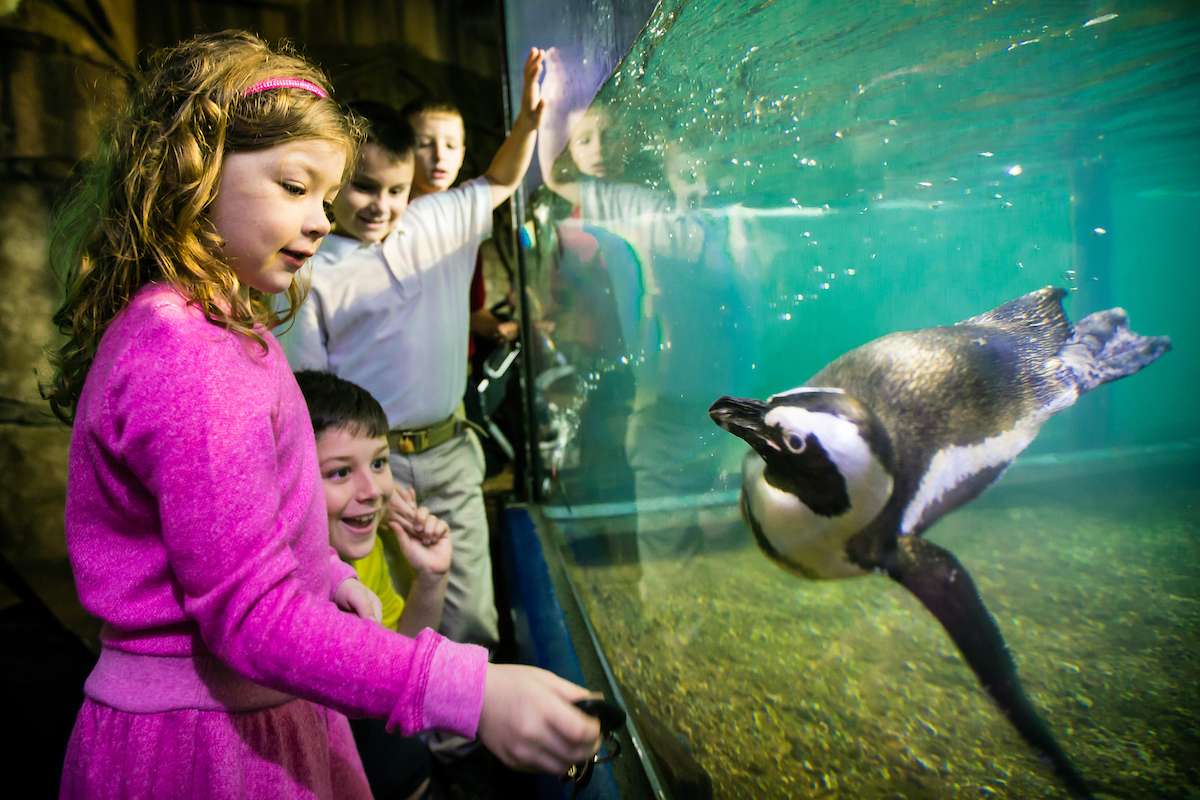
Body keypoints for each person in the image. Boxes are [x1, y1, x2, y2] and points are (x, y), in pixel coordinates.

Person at [46, 31, 599, 799]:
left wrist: (321, 575)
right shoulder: (187, 351)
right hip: (205, 745)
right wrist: (469, 690)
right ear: (195, 170)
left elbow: (240, 531)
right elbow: (249, 616)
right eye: (293, 186)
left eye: (324, 198)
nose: (317, 219)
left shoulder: (221, 328)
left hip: (253, 709)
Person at [283, 48, 547, 653]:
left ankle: (471, 715)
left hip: (450, 454)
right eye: (364, 188)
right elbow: (311, 396)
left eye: (397, 189)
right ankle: (407, 716)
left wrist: (529, 123)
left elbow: (500, 180)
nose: (382, 205)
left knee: (472, 617)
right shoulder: (308, 270)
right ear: (335, 181)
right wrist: (363, 475)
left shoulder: (437, 222)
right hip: (372, 471)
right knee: (388, 623)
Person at [296, 369, 453, 800]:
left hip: (358, 729)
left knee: (409, 765)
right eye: (340, 472)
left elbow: (398, 659)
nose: (373, 491)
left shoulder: (366, 551)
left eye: (379, 463)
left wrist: (430, 579)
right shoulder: (278, 576)